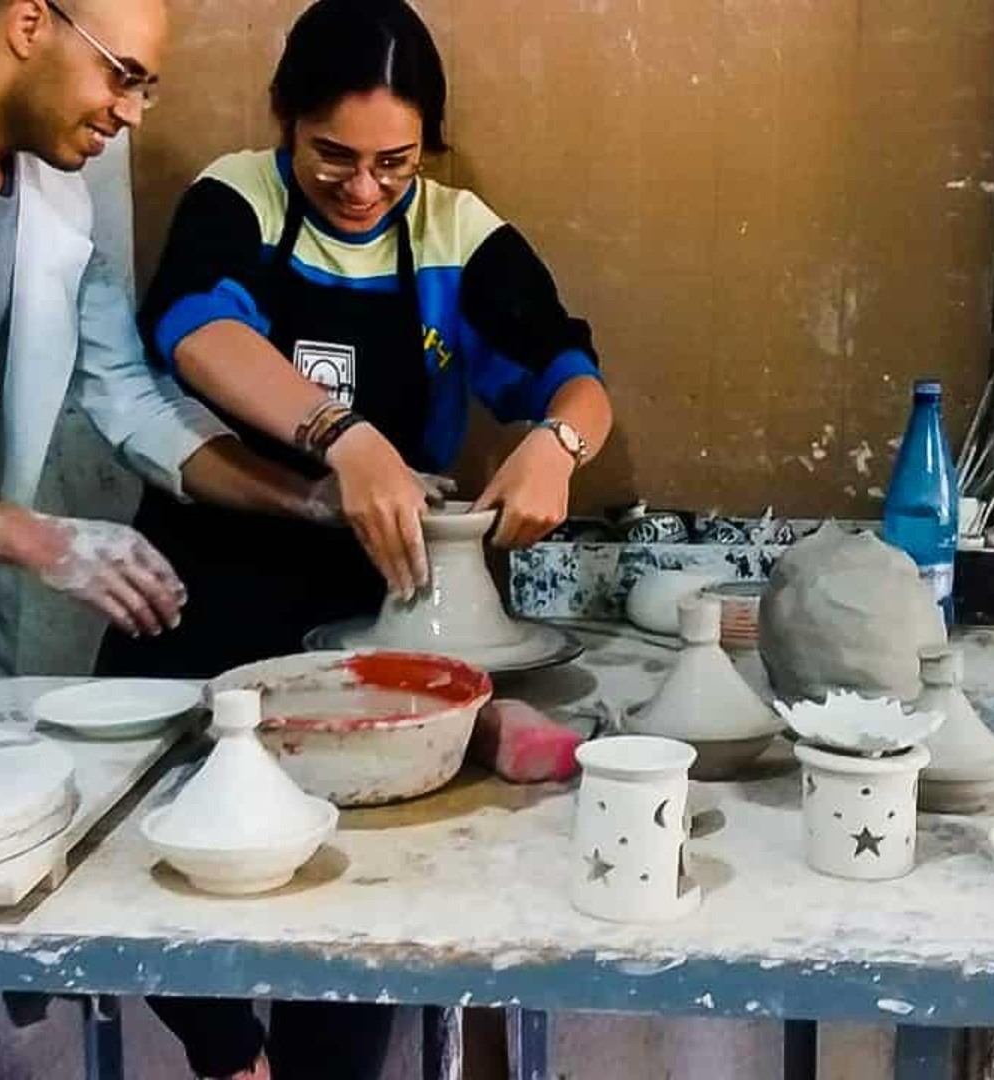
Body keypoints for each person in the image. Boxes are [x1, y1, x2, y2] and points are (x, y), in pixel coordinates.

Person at [97, 0, 613, 1076]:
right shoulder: (236, 198)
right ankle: (228, 1051)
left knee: (352, 918)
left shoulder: (457, 235)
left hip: (379, 606)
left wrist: (560, 444)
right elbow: (197, 329)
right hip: (214, 585)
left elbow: (572, 373)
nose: (366, 186)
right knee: (167, 888)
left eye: (397, 159)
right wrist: (342, 437)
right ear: (284, 122)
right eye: (334, 155)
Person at [0, 0, 361, 676]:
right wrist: (32, 536)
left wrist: (308, 499)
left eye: (144, 89)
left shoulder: (57, 199)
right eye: (120, 76)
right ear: (28, 24)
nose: (130, 112)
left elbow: (131, 398)